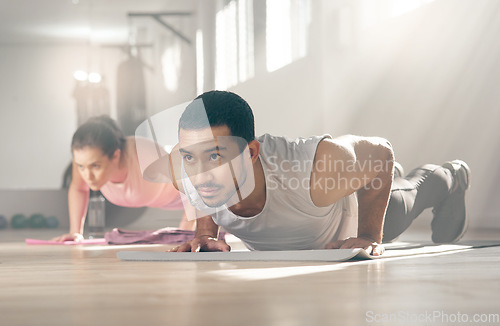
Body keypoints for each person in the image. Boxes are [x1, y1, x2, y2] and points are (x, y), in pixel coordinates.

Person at [160, 91, 470, 255]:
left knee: (411, 193)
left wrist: (367, 236)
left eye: (215, 156)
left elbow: (381, 153)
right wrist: (204, 234)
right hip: (306, 224)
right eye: (191, 157)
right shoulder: (184, 165)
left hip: (345, 219)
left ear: (251, 152)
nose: (199, 175)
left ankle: (452, 176)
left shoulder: (315, 168)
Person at [52, 115, 195, 242]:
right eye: (81, 166)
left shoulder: (144, 154)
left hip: (194, 198)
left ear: (116, 156)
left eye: (95, 166)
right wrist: (75, 232)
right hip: (162, 201)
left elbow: (194, 182)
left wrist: (187, 230)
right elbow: (79, 189)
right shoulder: (84, 160)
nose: (87, 176)